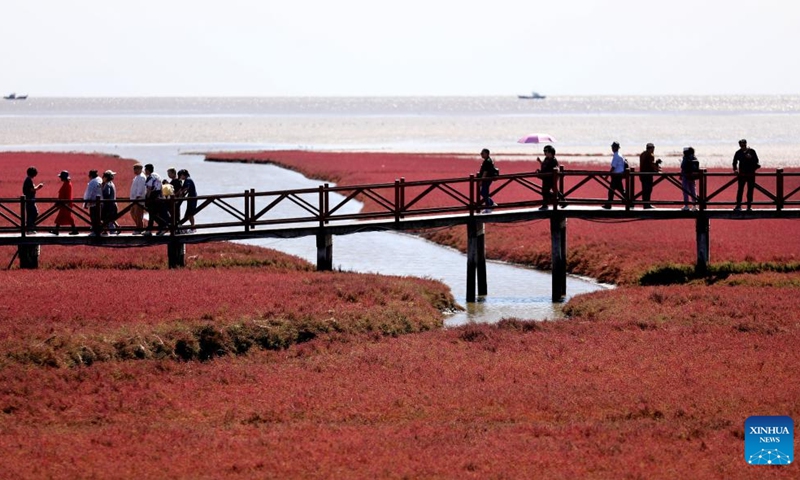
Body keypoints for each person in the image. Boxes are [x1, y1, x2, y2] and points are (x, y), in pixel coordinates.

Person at [732, 138, 760, 211]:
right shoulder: (738, 153)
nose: (743, 146)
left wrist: (751, 158)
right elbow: (734, 162)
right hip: (742, 174)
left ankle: (749, 206)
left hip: (751, 174)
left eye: (744, 145)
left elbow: (756, 161)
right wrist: (735, 170)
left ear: (746, 144)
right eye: (741, 145)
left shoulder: (752, 151)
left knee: (750, 190)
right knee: (740, 190)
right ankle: (738, 205)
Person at [143, 164, 168, 236]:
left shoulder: (150, 177)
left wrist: (147, 198)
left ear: (148, 170)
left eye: (145, 170)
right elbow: (160, 187)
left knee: (151, 214)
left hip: (153, 197)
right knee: (158, 214)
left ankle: (149, 230)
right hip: (159, 196)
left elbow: (149, 188)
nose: (145, 171)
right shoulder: (157, 176)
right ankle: (162, 228)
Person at [51, 170, 78, 235]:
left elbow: (64, 194)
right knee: (62, 217)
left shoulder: (67, 184)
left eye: (61, 177)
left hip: (66, 204)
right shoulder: (67, 183)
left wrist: (60, 201)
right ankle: (57, 230)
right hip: (66, 203)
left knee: (66, 217)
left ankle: (74, 230)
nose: (60, 178)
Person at [602, 142, 627, 209]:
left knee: (611, 190)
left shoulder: (616, 156)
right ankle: (629, 201)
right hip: (619, 174)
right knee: (620, 190)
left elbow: (613, 167)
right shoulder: (620, 155)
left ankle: (609, 205)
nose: (612, 148)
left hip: (616, 175)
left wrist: (608, 175)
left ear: (615, 148)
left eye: (613, 147)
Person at [536, 145, 561, 210]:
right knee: (545, 191)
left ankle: (557, 200)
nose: (544, 152)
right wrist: (540, 162)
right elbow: (544, 166)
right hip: (545, 178)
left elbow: (554, 170)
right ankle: (558, 200)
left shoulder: (553, 160)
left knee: (545, 191)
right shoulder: (546, 159)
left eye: (546, 151)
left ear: (550, 152)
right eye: (544, 151)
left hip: (550, 179)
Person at [638, 143, 662, 209]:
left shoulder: (642, 154)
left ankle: (645, 203)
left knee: (644, 189)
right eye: (653, 148)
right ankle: (647, 204)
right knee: (648, 190)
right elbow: (651, 165)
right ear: (650, 148)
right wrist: (657, 169)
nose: (653, 150)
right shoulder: (650, 155)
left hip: (642, 174)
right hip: (648, 175)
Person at [22, 166, 44, 233]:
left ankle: (29, 229)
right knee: (34, 213)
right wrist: (39, 186)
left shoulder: (28, 179)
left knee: (30, 214)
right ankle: (30, 228)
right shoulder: (28, 180)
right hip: (30, 200)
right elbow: (32, 189)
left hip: (29, 200)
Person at [477, 148, 499, 212]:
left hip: (486, 179)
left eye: (482, 153)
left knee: (484, 193)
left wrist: (481, 180)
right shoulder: (488, 160)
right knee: (484, 192)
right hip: (487, 179)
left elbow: (485, 172)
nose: (481, 155)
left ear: (486, 154)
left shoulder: (487, 161)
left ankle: (488, 207)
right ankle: (491, 204)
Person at [82, 170, 103, 236]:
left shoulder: (92, 182)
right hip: (100, 202)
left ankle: (95, 231)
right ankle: (100, 230)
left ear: (91, 176)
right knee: (99, 217)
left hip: (93, 203)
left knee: (94, 218)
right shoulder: (100, 179)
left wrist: (86, 203)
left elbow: (89, 193)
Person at [680, 146, 700, 211]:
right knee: (693, 190)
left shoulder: (686, 158)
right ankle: (695, 205)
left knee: (685, 191)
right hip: (692, 176)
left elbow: (683, 166)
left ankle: (686, 205)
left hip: (686, 176)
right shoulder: (694, 158)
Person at [129, 163, 147, 234]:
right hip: (134, 199)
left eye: (135, 169)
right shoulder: (137, 177)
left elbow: (141, 188)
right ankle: (139, 226)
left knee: (138, 214)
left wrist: (138, 196)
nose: (134, 170)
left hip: (138, 200)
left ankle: (140, 228)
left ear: (140, 169)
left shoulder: (142, 177)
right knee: (133, 213)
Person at [101, 170, 119, 235]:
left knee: (106, 218)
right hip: (112, 204)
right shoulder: (111, 183)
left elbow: (107, 194)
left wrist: (101, 189)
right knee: (110, 218)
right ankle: (115, 228)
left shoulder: (107, 184)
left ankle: (112, 231)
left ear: (106, 177)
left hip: (108, 205)